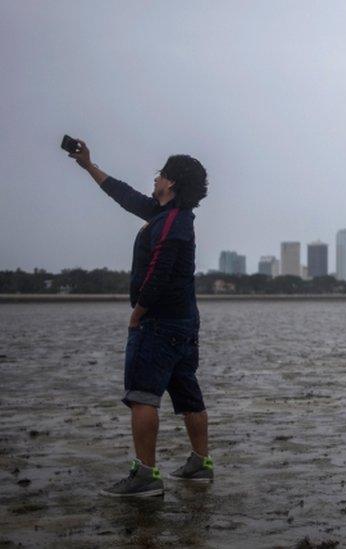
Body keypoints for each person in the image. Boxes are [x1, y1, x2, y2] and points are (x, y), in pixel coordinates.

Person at [67, 139, 214, 497]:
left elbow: (159, 271)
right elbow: (125, 195)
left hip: (160, 324)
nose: (155, 178)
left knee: (142, 397)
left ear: (171, 183)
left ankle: (145, 476)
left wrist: (138, 312)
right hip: (183, 323)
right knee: (187, 392)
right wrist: (89, 165)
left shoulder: (171, 221)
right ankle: (200, 464)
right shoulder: (166, 215)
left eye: (161, 173)